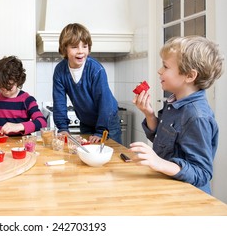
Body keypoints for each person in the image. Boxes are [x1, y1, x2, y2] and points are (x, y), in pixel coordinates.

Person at [130, 36, 224, 194]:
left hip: (188, 198)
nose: (160, 71)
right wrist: (149, 114)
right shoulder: (174, 103)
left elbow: (202, 173)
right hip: (169, 188)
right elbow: (165, 141)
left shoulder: (197, 116)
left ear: (189, 76)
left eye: (165, 66)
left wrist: (159, 163)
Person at [53, 23, 122, 144]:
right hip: (86, 121)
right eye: (74, 47)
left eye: (84, 46)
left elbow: (104, 101)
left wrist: (100, 131)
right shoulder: (60, 71)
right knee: (87, 153)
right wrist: (63, 128)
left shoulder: (96, 70)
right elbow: (59, 102)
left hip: (108, 121)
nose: (80, 51)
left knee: (112, 155)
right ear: (64, 49)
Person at [0, 55, 47, 141]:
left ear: (18, 81)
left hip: (21, 146)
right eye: (1, 89)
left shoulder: (27, 100)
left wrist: (20, 126)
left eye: (9, 88)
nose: (5, 92)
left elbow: (42, 122)